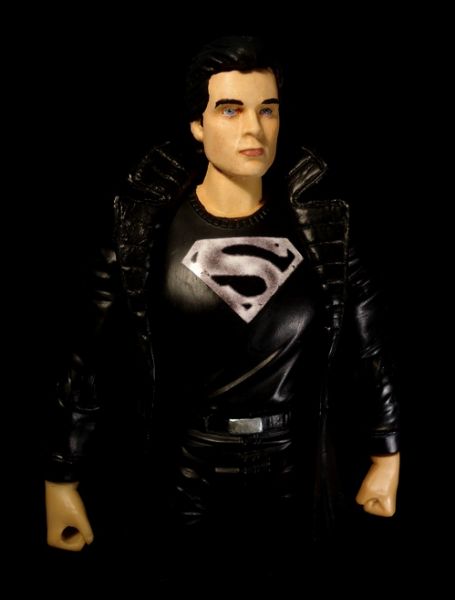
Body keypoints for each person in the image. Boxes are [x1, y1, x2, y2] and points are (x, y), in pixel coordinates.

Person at [44, 35, 400, 584]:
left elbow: (368, 348)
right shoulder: (143, 232)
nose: (253, 129)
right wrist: (61, 477)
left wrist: (386, 454)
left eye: (267, 110)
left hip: (294, 467)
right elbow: (87, 359)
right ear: (198, 124)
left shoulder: (323, 230)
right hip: (184, 469)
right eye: (230, 110)